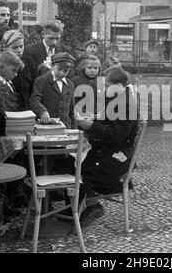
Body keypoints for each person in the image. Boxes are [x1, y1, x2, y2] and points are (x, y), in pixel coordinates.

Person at [73, 66, 138, 227]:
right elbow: (110, 122)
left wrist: (91, 126)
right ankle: (81, 205)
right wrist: (93, 120)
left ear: (120, 85)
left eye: (108, 86)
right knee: (72, 161)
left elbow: (116, 136)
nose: (106, 89)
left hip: (116, 161)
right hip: (111, 153)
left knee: (74, 167)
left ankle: (91, 204)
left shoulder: (127, 105)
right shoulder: (119, 99)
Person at [30, 52, 77, 128]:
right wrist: (43, 112)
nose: (62, 73)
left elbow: (71, 111)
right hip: (47, 126)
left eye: (65, 71)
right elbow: (34, 100)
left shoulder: (70, 84)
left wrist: (74, 129)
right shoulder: (41, 81)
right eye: (59, 69)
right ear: (52, 66)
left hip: (65, 127)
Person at [1, 30, 38, 110]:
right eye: (15, 47)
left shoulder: (29, 61)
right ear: (5, 48)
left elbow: (34, 88)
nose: (19, 50)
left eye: (21, 46)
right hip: (9, 110)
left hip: (27, 109)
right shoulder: (1, 64)